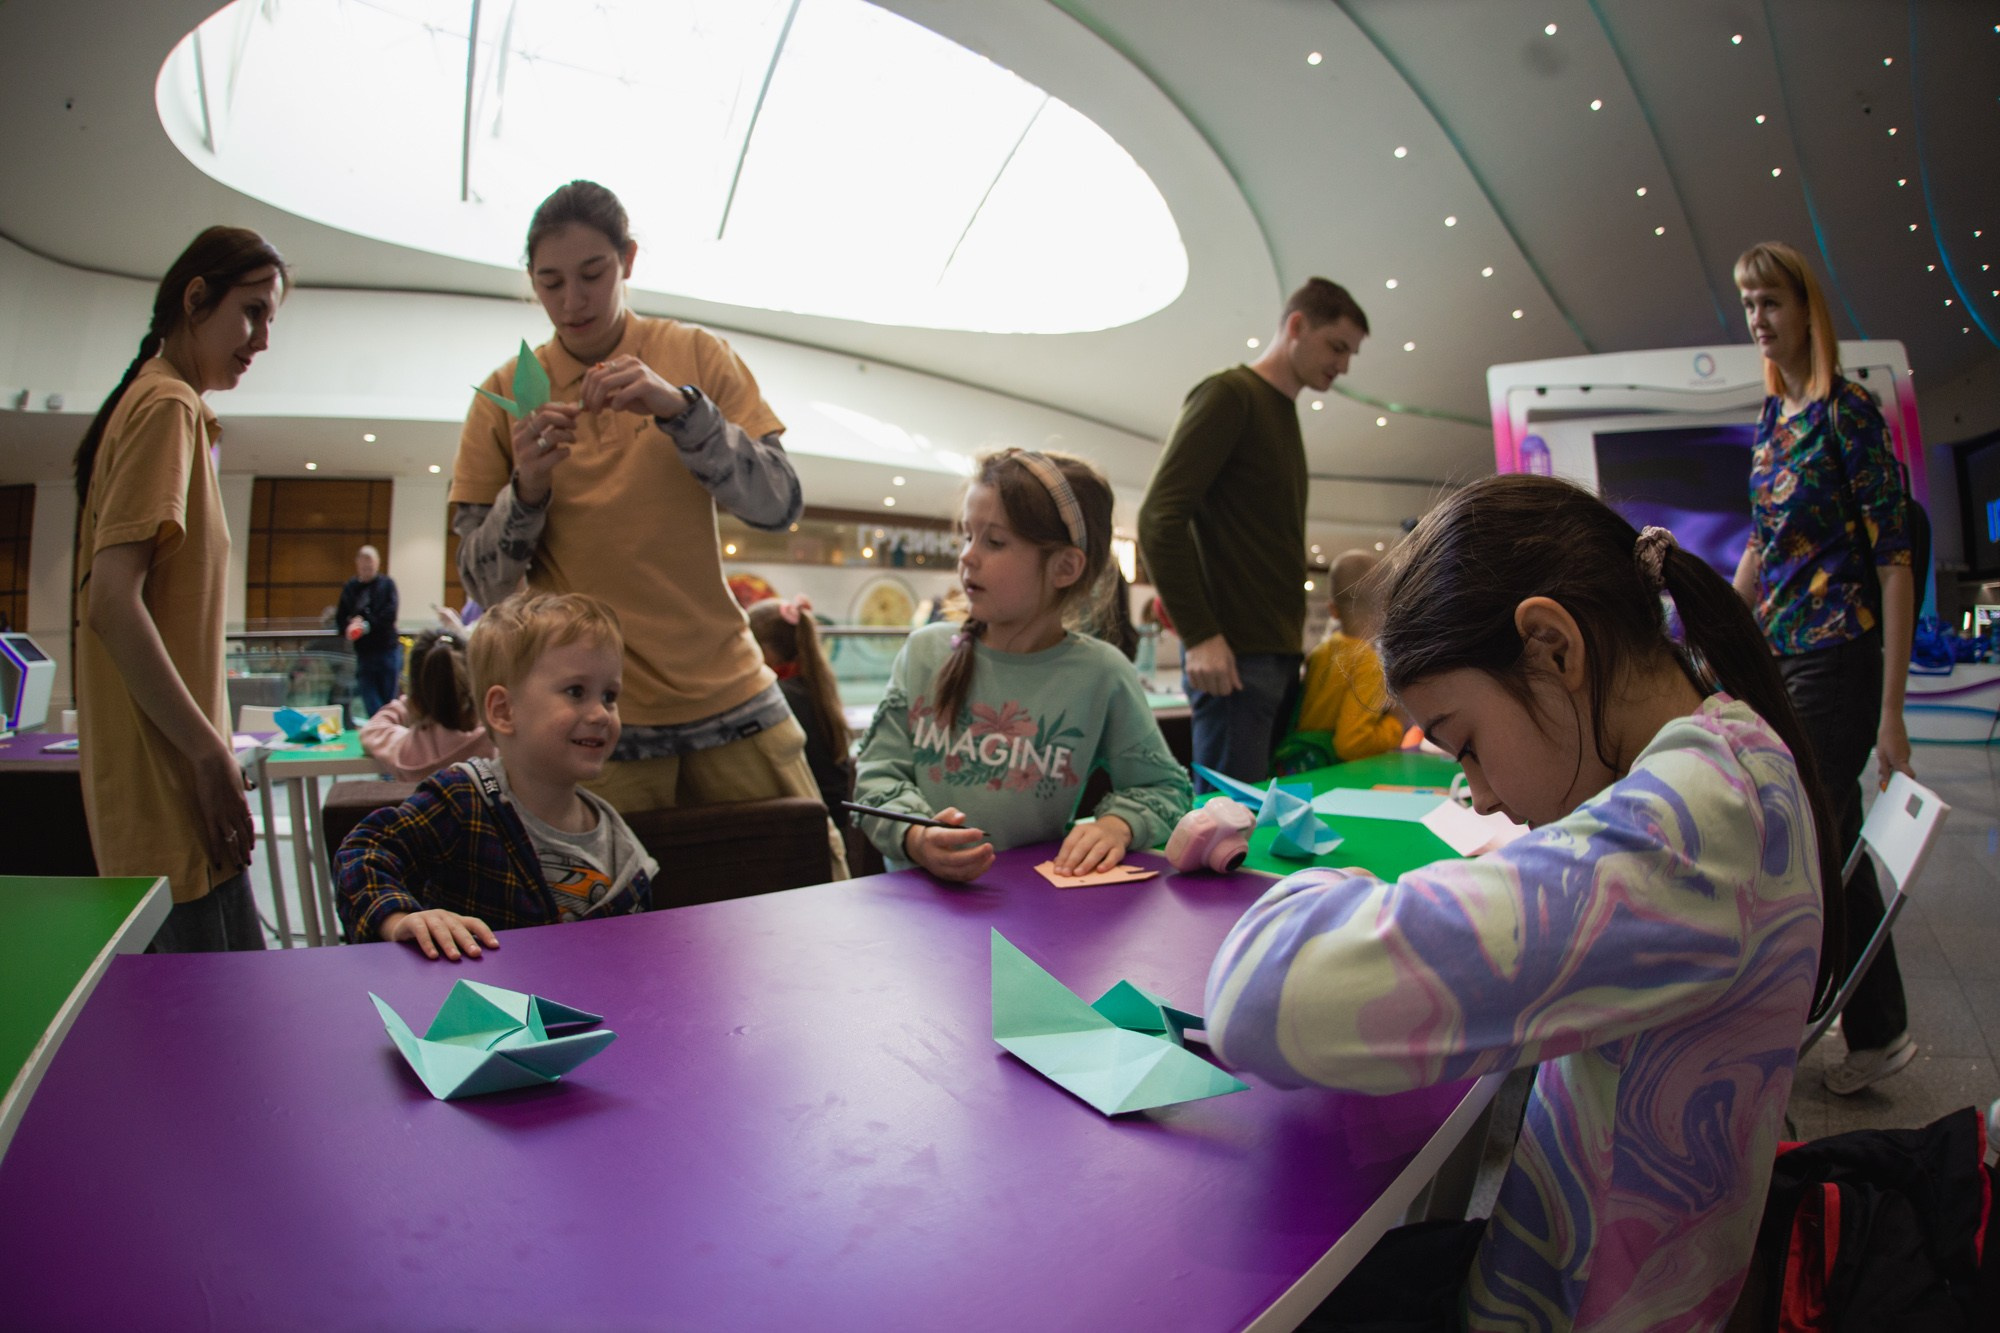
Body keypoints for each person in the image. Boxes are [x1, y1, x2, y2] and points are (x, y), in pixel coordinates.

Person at [1204, 475, 1844, 1331]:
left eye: (1466, 743)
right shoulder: (1733, 751)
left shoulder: (1694, 830)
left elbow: (1256, 996)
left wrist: (1341, 882)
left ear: (1552, 646)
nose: (1483, 796)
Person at [448, 179, 845, 877]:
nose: (573, 300)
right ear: (532, 283)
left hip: (732, 696)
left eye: (593, 273)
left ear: (628, 259)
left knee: (808, 888)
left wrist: (681, 410)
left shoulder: (695, 354)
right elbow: (485, 584)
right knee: (614, 928)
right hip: (593, 718)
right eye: (550, 283)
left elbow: (779, 503)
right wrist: (527, 487)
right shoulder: (506, 394)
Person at [1733, 240, 1918, 1097]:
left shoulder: (1850, 413)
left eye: (1771, 301)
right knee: (1830, 834)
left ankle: (1830, 1017)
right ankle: (1874, 1026)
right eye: (1748, 304)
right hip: (1782, 652)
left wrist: (1893, 712)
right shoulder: (1773, 417)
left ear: (1808, 309)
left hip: (1839, 656)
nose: (1758, 319)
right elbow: (1762, 544)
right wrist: (1711, 620)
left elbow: (1895, 559)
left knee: (1807, 834)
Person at [72, 226, 288, 953]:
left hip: (164, 804)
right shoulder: (167, 405)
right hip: (172, 803)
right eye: (252, 312)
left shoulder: (159, 403)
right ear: (196, 299)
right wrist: (208, 755)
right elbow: (112, 603)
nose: (262, 340)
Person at [852, 449, 1191, 882]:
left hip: (1034, 903)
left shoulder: (1102, 674)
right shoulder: (924, 653)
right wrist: (917, 836)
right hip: (916, 900)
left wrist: (1116, 825)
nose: (967, 556)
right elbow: (876, 778)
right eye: (967, 536)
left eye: (994, 542)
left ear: (1065, 567)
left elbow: (1164, 788)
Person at [336, 593, 657, 961]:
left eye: (609, 696)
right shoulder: (462, 800)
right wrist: (399, 919)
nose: (601, 714)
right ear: (503, 711)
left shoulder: (618, 841)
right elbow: (362, 853)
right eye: (576, 692)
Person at [1138, 277, 1369, 790]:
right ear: (1296, 326)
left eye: (1350, 353)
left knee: (1251, 819)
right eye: (1336, 346)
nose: (1343, 365)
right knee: (1227, 822)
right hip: (1233, 660)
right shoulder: (1232, 396)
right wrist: (1200, 635)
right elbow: (1158, 518)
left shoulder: (1280, 412)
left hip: (1271, 657)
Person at [746, 595, 853, 827]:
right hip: (837, 818)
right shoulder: (814, 687)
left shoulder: (778, 699)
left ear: (764, 651)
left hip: (809, 824)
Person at [1295, 549, 1404, 762]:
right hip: (1335, 769)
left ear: (1332, 610)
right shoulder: (1367, 662)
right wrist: (1396, 723)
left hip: (1303, 760)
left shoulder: (1321, 652)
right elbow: (1351, 744)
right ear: (1386, 607)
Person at [357, 624, 495, 782]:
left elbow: (372, 729)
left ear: (416, 699)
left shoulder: (407, 750)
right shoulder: (495, 742)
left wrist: (409, 702)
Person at [337, 544, 401, 720]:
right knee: (369, 698)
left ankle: (389, 728)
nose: (367, 566)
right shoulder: (350, 587)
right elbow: (340, 618)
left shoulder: (387, 585)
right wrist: (351, 625)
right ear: (357, 563)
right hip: (364, 653)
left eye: (370, 562)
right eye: (363, 563)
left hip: (387, 650)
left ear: (377, 563)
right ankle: (378, 726)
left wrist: (366, 625)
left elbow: (389, 615)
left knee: (389, 699)